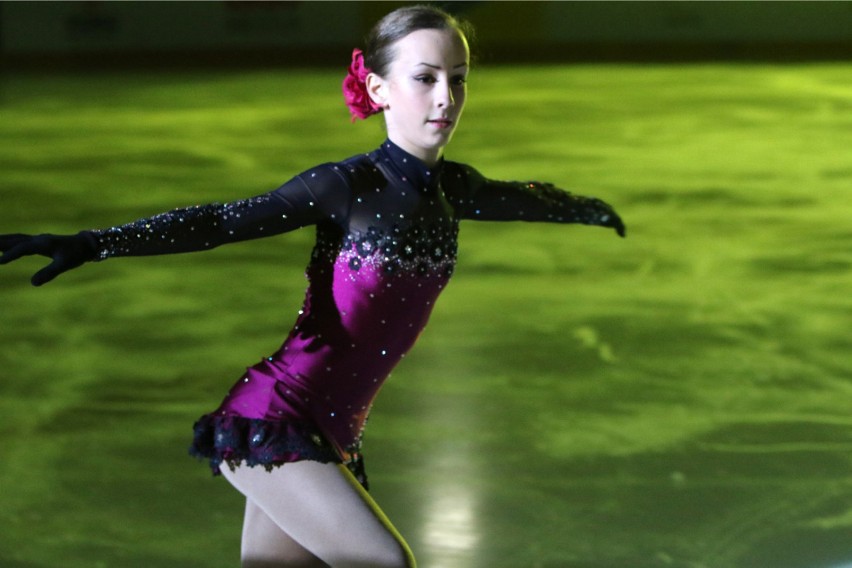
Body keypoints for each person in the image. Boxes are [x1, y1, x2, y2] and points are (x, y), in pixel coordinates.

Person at [0, 5, 625, 567]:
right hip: (277, 416)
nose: (446, 96)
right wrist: (93, 241)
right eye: (425, 77)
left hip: (336, 431)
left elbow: (518, 199)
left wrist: (586, 207)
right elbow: (222, 220)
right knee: (383, 561)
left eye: (457, 78)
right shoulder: (344, 186)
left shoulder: (454, 189)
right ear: (378, 88)